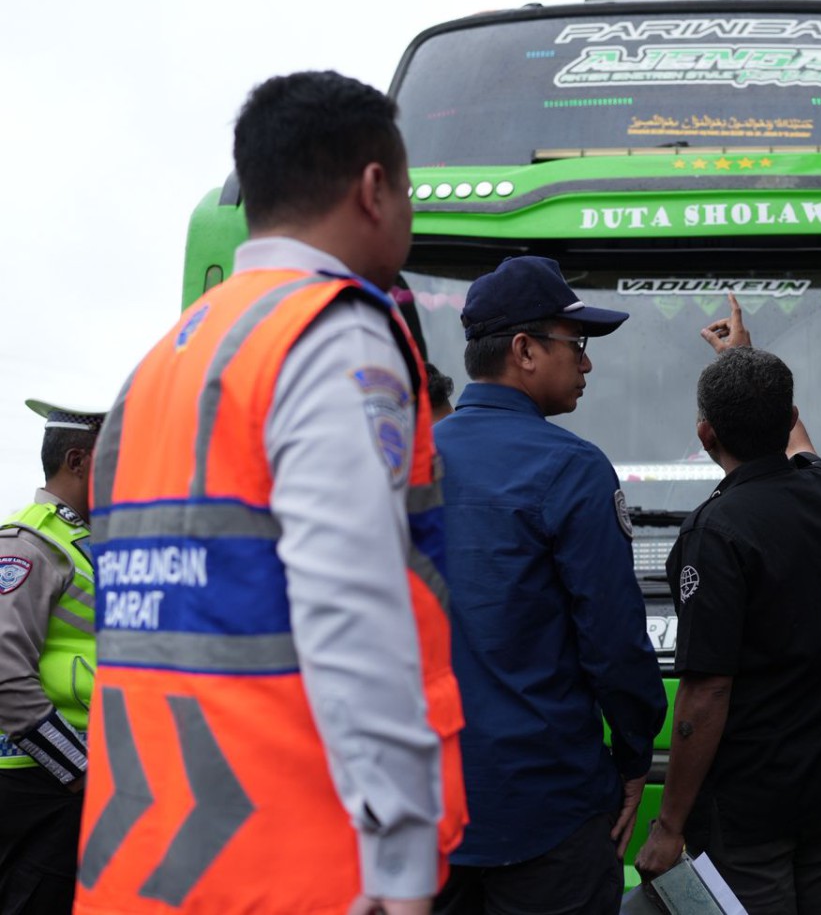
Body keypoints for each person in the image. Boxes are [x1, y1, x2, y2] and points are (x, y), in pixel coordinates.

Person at [75, 70, 465, 915]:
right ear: (372, 188)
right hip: (294, 864)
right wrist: (401, 863)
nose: (408, 212)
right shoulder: (331, 333)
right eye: (406, 191)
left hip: (147, 864)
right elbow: (352, 605)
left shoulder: (164, 361)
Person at [433, 255, 667, 914]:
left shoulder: (405, 462)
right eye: (579, 344)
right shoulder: (572, 469)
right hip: (549, 813)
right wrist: (633, 752)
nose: (587, 363)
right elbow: (615, 642)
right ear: (525, 350)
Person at [634, 296, 821, 912]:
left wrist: (669, 823)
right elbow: (799, 444)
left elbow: (705, 694)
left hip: (754, 811)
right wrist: (747, 359)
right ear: (788, 412)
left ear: (705, 434)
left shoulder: (714, 533)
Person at [0, 399, 104, 914]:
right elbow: (3, 671)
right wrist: (79, 771)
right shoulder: (32, 540)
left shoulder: (87, 540)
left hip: (70, 780)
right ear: (79, 461)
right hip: (42, 779)